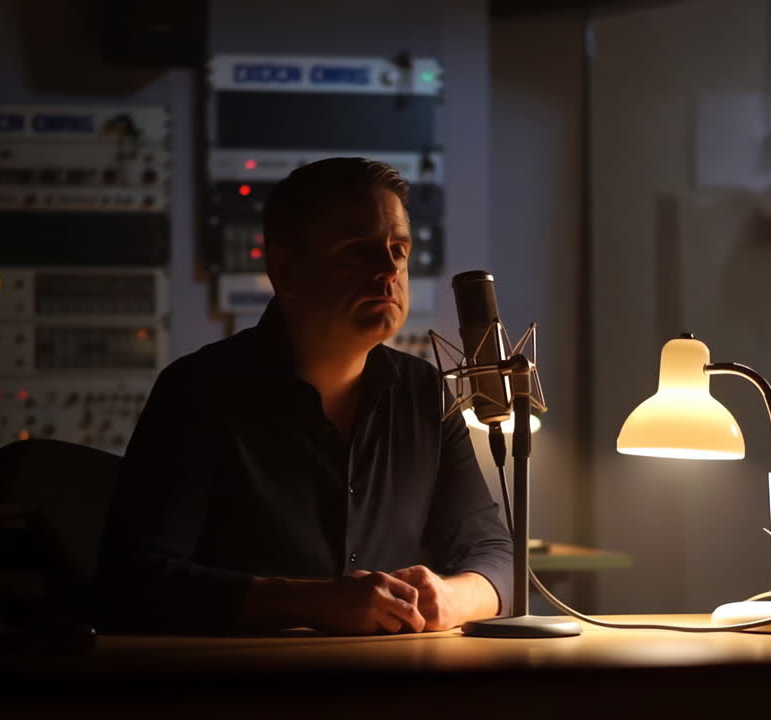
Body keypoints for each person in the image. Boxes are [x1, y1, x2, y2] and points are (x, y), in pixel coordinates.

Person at [95, 157, 511, 635]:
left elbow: (496, 556)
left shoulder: (426, 393)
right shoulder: (198, 392)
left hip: (395, 675)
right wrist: (312, 603)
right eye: (358, 250)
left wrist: (449, 598)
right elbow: (130, 583)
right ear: (285, 270)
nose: (389, 270)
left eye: (399, 249)